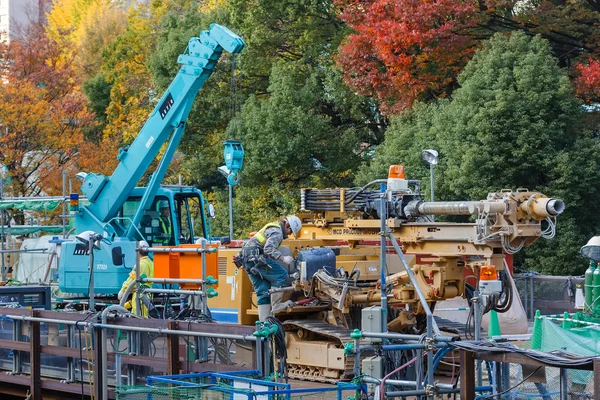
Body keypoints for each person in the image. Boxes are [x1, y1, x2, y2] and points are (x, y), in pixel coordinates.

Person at [239, 215, 302, 321]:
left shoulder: (272, 227)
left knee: (263, 290)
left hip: (247, 261)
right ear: (287, 225)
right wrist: (283, 258)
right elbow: (268, 249)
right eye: (290, 231)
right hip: (257, 259)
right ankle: (276, 306)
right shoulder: (277, 232)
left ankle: (264, 324)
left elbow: (250, 244)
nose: (289, 234)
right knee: (281, 275)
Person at [118, 240, 154, 317]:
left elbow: (131, 280)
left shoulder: (140, 264)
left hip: (140, 295)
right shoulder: (150, 263)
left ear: (138, 251)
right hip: (147, 295)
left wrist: (123, 290)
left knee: (138, 319)